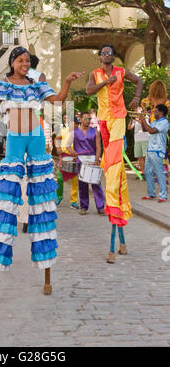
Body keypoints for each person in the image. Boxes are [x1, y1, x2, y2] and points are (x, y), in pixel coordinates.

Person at [0, 45, 84, 300]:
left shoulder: (36, 83)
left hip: (36, 137)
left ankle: (46, 270)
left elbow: (57, 99)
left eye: (28, 61)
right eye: (22, 60)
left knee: (42, 200)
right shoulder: (1, 83)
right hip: (15, 137)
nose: (26, 64)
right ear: (13, 62)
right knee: (6, 200)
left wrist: (68, 82)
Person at [86, 44, 143, 264]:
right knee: (112, 167)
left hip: (118, 117)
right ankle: (116, 200)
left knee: (114, 165)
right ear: (100, 56)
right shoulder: (96, 73)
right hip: (103, 119)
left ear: (113, 57)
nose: (107, 55)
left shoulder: (121, 72)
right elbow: (89, 90)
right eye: (104, 53)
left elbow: (139, 81)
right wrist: (104, 83)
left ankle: (111, 197)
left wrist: (137, 98)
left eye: (110, 53)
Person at [73, 112, 105, 215]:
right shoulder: (75, 132)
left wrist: (96, 159)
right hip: (80, 160)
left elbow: (98, 147)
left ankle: (100, 207)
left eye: (89, 119)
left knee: (96, 183)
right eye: (85, 119)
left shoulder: (95, 131)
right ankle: (84, 206)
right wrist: (73, 153)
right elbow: (68, 144)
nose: (87, 121)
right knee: (82, 184)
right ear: (81, 119)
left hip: (92, 158)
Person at [139, 104, 169, 203]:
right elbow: (145, 129)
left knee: (159, 173)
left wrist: (144, 120)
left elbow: (152, 131)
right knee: (148, 172)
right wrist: (142, 122)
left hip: (158, 151)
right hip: (150, 150)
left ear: (161, 112)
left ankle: (163, 196)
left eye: (156, 111)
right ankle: (151, 194)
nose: (154, 113)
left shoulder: (164, 122)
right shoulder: (155, 121)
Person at [55, 114, 79, 209]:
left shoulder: (79, 133)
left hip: (75, 157)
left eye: (77, 124)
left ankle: (73, 201)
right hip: (64, 156)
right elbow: (57, 139)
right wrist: (57, 148)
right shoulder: (64, 130)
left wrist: (77, 155)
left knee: (75, 180)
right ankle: (59, 197)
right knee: (60, 178)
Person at [127, 107, 150, 178]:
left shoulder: (145, 116)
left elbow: (145, 125)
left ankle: (148, 173)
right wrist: (131, 120)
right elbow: (129, 128)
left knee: (145, 157)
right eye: (136, 110)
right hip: (137, 140)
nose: (136, 111)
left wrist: (138, 119)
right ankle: (143, 173)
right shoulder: (135, 119)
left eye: (137, 110)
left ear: (141, 110)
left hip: (145, 139)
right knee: (140, 157)